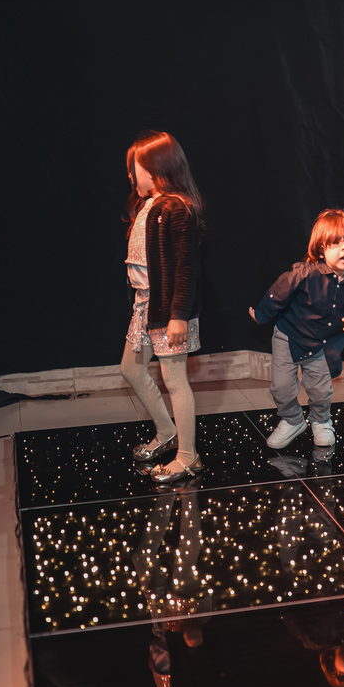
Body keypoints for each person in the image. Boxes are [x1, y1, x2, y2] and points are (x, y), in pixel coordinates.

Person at [250, 209, 344, 449]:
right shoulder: (304, 273)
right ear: (321, 249)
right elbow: (277, 294)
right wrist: (261, 314)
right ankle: (292, 420)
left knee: (320, 390)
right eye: (336, 243)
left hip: (323, 343)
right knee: (282, 387)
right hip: (290, 336)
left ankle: (321, 421)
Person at [120, 131, 205, 483]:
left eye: (134, 168)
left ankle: (188, 456)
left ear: (156, 167)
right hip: (145, 306)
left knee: (175, 379)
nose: (130, 175)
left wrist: (178, 315)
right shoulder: (148, 206)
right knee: (131, 369)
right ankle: (167, 431)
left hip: (169, 310)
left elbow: (186, 266)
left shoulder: (176, 207)